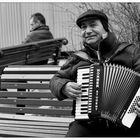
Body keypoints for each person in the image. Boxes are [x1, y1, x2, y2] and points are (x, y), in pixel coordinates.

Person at [50, 9, 140, 137]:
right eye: (83, 27)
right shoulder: (78, 58)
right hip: (88, 125)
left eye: (93, 25)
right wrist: (64, 86)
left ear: (105, 28)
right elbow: (55, 80)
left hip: (129, 125)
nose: (87, 31)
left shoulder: (130, 52)